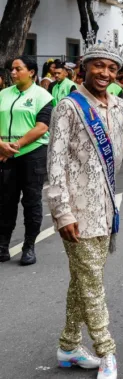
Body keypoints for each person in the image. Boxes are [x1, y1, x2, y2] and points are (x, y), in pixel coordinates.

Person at [47, 41, 123, 379]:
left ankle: (68, 346)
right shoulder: (68, 106)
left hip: (105, 209)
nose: (104, 73)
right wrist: (61, 211)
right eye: (99, 66)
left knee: (83, 281)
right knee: (92, 283)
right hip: (76, 214)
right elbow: (56, 161)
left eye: (111, 68)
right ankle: (106, 351)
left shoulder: (120, 106)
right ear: (85, 66)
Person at [0, 55, 52, 266]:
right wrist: (2, 145)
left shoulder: (42, 96)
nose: (13, 73)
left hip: (32, 154)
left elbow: (42, 127)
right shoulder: (3, 94)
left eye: (17, 69)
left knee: (31, 201)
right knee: (5, 202)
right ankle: (3, 245)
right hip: (4, 154)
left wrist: (16, 146)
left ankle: (28, 246)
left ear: (31, 72)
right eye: (11, 69)